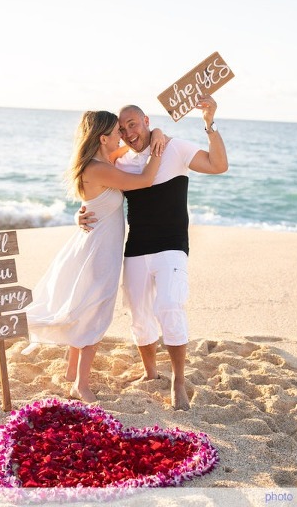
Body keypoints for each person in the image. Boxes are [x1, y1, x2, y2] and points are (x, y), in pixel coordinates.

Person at [77, 95, 228, 410]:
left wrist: (209, 123)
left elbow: (218, 165)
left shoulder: (175, 148)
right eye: (123, 128)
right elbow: (94, 180)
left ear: (146, 121)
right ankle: (150, 373)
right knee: (139, 315)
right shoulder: (120, 160)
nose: (129, 132)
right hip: (136, 247)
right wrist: (82, 212)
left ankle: (179, 381)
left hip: (171, 244)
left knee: (170, 305)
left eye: (134, 124)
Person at [24, 110, 165, 403]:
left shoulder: (105, 161)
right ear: (103, 138)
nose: (123, 136)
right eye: (117, 132)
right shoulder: (99, 168)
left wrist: (158, 135)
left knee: (86, 305)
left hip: (101, 245)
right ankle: (81, 385)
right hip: (99, 250)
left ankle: (71, 371)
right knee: (95, 310)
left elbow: (136, 147)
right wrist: (159, 151)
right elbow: (148, 179)